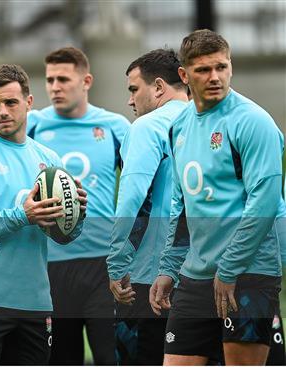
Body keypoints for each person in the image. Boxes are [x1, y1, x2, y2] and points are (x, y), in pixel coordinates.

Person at [151, 29, 284, 365]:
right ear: (184, 75)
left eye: (221, 67)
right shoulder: (179, 127)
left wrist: (230, 269)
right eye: (203, 70)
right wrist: (169, 267)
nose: (215, 77)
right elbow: (182, 208)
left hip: (248, 273)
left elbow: (264, 201)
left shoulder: (253, 122)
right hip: (196, 277)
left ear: (231, 67)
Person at [0, 64, 87, 365]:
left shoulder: (49, 160)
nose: (3, 111)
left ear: (29, 102)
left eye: (11, 102)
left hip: (35, 303)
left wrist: (75, 215)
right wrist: (22, 216)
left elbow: (63, 238)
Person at [27, 46, 129, 365]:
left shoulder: (115, 126)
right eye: (50, 80)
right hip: (49, 267)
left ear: (86, 81)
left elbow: (138, 192)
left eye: (63, 79)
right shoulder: (32, 126)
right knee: (60, 359)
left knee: (110, 357)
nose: (55, 87)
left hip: (103, 265)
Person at [106, 49, 189, 365]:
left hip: (149, 278)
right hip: (206, 275)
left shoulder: (146, 127)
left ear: (157, 87)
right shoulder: (214, 124)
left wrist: (117, 263)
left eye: (133, 89)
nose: (130, 101)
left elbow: (134, 199)